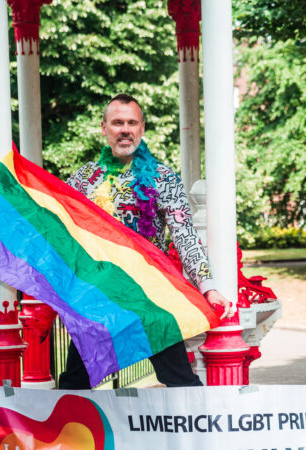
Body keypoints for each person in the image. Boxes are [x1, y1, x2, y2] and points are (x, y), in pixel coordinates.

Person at [59, 93, 233, 389]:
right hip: (101, 296)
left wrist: (209, 286)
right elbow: (61, 230)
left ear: (141, 128)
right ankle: (67, 434)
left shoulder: (163, 178)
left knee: (177, 378)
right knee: (75, 381)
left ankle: (201, 432)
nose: (124, 129)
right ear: (104, 128)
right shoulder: (84, 180)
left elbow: (185, 235)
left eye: (131, 123)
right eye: (117, 123)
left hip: (152, 295)